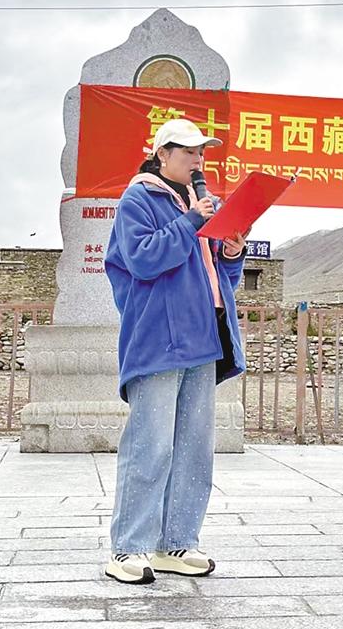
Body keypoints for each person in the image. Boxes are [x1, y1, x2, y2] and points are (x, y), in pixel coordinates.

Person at [103, 118, 247, 585]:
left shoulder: (202, 205)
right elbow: (143, 260)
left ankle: (176, 542)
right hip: (159, 340)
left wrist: (231, 252)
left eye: (201, 152)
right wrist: (190, 222)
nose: (198, 160)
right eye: (188, 152)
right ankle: (128, 548)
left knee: (193, 448)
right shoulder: (138, 200)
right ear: (162, 154)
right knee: (151, 446)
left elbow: (217, 277)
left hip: (204, 337)